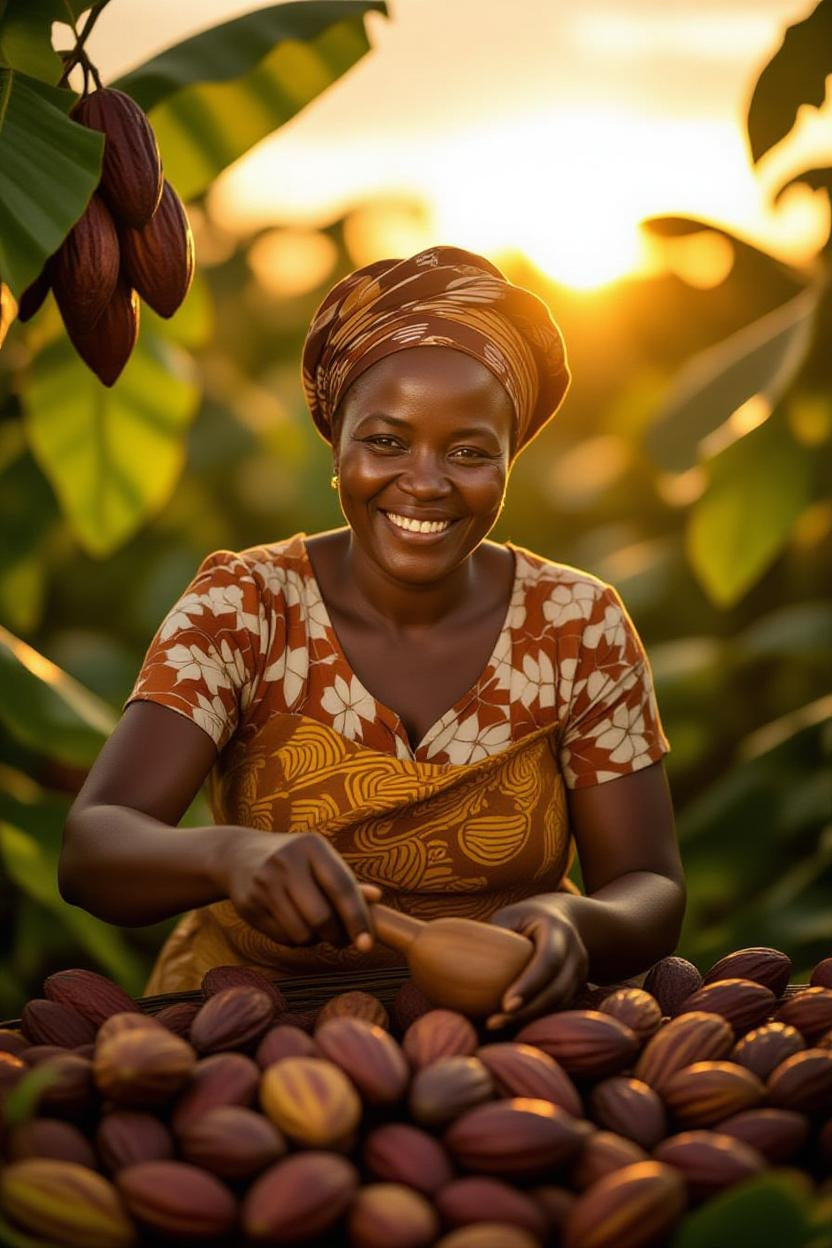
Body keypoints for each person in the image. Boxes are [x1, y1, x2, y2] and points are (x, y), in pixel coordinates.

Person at [59, 245, 685, 1030]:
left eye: (469, 452)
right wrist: (229, 855)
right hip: (247, 1029)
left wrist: (578, 926)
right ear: (335, 442)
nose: (425, 481)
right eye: (386, 441)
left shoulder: (578, 623)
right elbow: (93, 851)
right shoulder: (246, 604)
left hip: (503, 1028)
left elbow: (649, 884)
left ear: (509, 462)